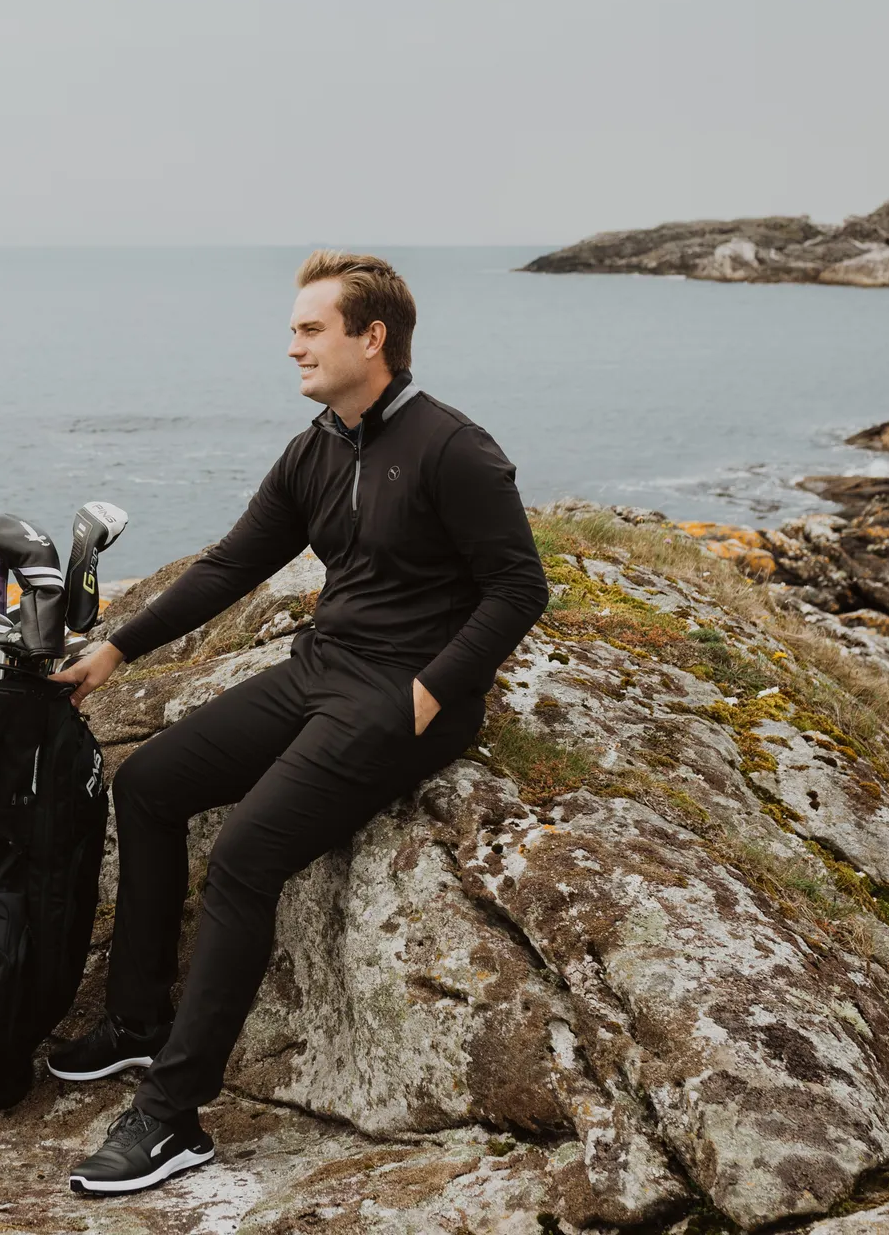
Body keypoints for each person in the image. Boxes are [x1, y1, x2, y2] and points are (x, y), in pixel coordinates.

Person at [45, 251, 549, 1196]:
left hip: (399, 701)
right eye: (294, 331)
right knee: (148, 786)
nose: (292, 348)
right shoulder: (320, 444)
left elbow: (519, 586)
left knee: (245, 856)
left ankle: (171, 1116)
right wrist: (119, 649)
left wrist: (432, 692)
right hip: (319, 671)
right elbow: (235, 560)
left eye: (311, 330)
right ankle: (140, 1021)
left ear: (374, 337)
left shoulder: (454, 448)